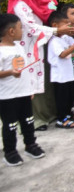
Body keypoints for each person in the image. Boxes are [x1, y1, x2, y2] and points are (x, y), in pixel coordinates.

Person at [8, 0, 74, 131]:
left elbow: (54, 16)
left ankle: (53, 112)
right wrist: (56, 30)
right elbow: (31, 28)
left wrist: (69, 27)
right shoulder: (21, 1)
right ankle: (37, 119)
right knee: (33, 82)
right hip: (29, 47)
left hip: (48, 43)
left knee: (48, 79)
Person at [0, 13, 46, 166]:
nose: (22, 31)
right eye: (20, 27)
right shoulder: (1, 51)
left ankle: (30, 144)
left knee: (28, 121)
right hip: (7, 96)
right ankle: (10, 152)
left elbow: (25, 71)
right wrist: (10, 72)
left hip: (24, 93)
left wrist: (30, 89)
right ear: (11, 31)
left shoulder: (19, 47)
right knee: (10, 125)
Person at [47, 10, 74, 129]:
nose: (68, 26)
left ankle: (69, 113)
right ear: (55, 26)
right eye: (65, 24)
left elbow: (66, 54)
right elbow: (62, 54)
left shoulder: (62, 38)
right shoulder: (54, 41)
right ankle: (61, 118)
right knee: (62, 99)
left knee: (69, 97)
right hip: (60, 77)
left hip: (67, 74)